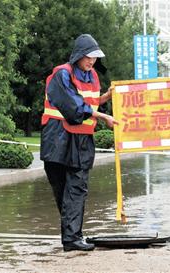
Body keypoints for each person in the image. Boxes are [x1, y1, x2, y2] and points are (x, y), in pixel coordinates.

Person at [40, 34, 118, 251]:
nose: (91, 61)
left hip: (82, 140)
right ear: (78, 55)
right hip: (57, 138)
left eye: (95, 58)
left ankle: (73, 239)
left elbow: (88, 103)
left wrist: (105, 98)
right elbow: (74, 107)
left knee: (77, 188)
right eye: (88, 57)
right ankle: (71, 235)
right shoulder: (61, 74)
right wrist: (104, 117)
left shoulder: (92, 75)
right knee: (62, 189)